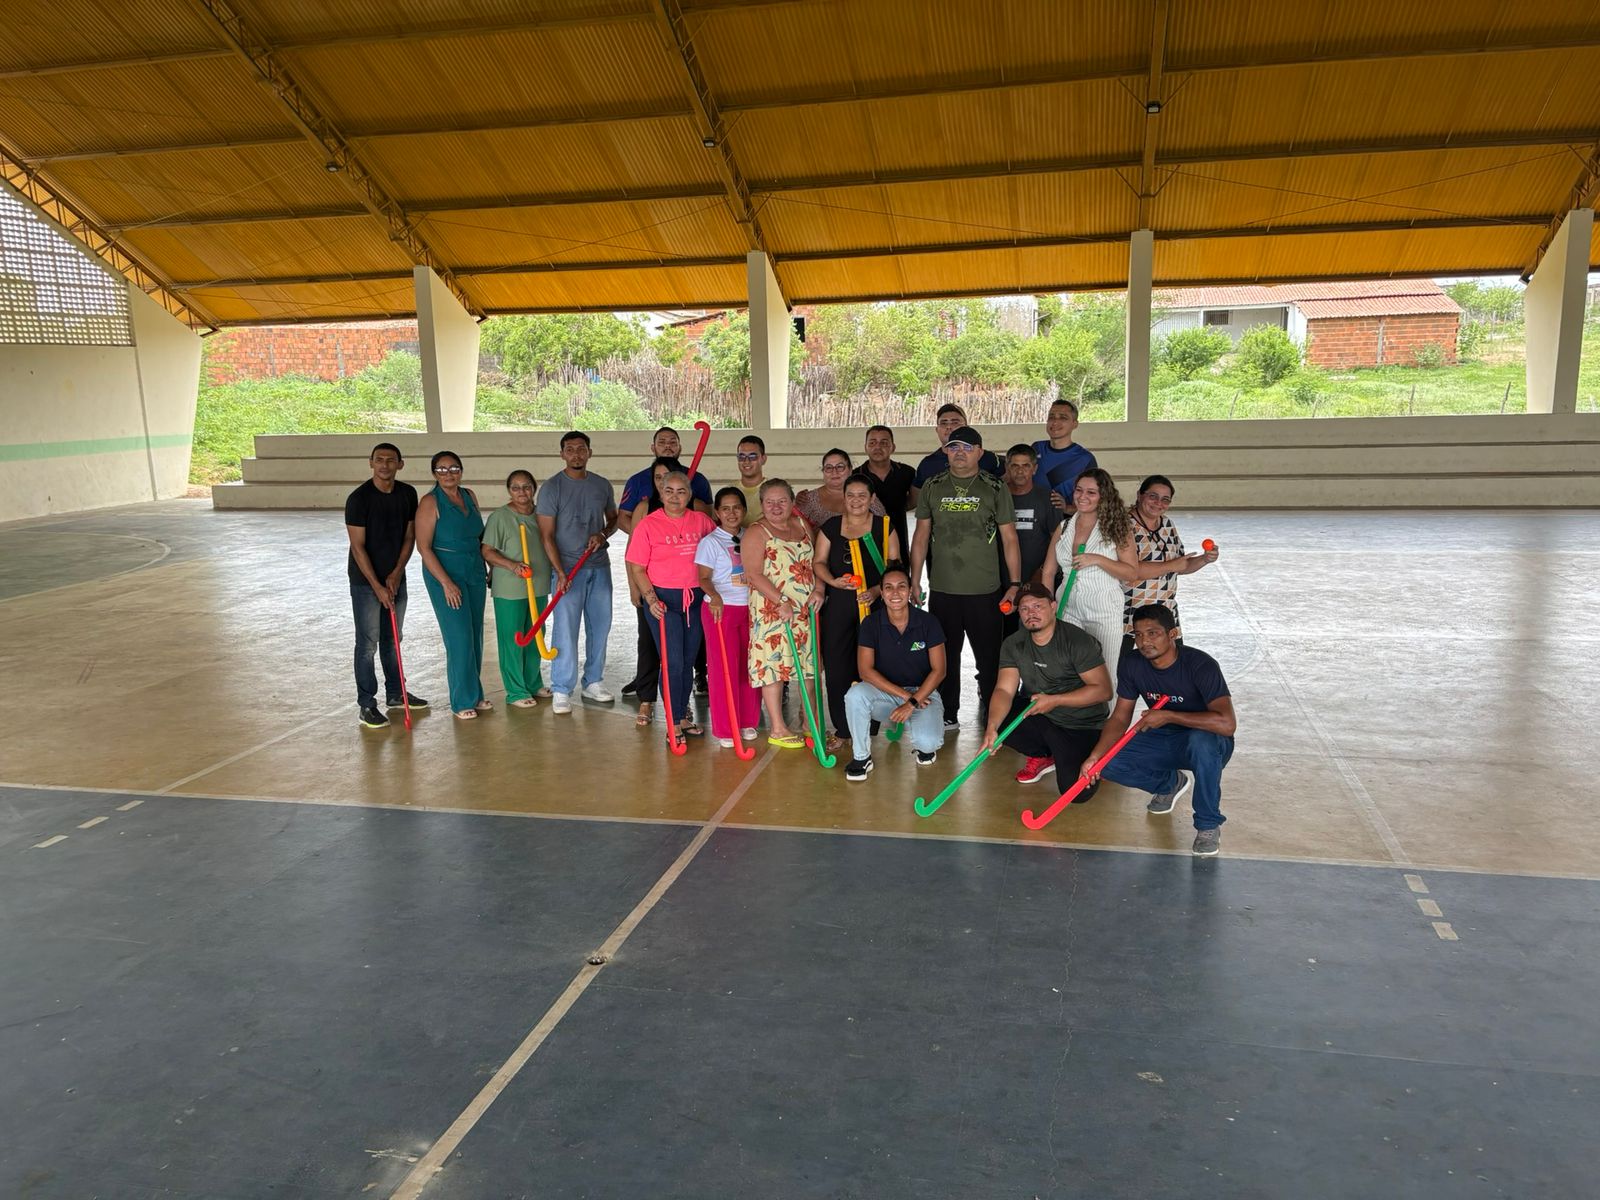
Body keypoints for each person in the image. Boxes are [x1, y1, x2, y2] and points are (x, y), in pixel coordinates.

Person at [1082, 604, 1237, 856]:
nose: (1144, 642)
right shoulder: (1132, 663)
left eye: (1153, 633)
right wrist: (1096, 756)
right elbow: (1120, 716)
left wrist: (1169, 715)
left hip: (1210, 742)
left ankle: (1208, 824)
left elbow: (1227, 724)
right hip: (1164, 736)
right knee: (1108, 764)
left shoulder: (1200, 665)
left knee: (1201, 742)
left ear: (1172, 634)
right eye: (1138, 635)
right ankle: (1169, 784)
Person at [909, 425, 1020, 730]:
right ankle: (948, 713)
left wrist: (1014, 584)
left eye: (967, 447)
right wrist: (915, 580)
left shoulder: (994, 487)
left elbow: (1010, 538)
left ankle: (995, 715)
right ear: (945, 451)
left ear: (980, 452)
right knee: (945, 657)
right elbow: (920, 536)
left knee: (989, 658)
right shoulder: (932, 486)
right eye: (954, 447)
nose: (960, 452)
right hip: (944, 589)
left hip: (986, 590)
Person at [983, 582, 1113, 786]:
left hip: (1081, 724)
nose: (1031, 613)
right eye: (1024, 608)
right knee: (996, 718)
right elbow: (1004, 690)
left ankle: (1090, 751)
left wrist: (1055, 700)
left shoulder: (1076, 641)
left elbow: (1104, 691)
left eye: (1038, 606)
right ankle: (1045, 755)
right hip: (1045, 718)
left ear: (1053, 607)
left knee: (1076, 790)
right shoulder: (1014, 643)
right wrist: (992, 728)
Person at [625, 471, 716, 744]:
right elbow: (637, 568)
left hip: (695, 600)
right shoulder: (648, 525)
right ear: (661, 494)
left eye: (681, 491)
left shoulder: (702, 521)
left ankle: (682, 716)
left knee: (688, 661)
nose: (675, 497)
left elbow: (717, 553)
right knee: (673, 661)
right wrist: (651, 599)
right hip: (663, 602)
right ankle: (673, 722)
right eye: (669, 491)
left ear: (690, 494)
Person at [813, 473, 901, 745]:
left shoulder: (884, 526)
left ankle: (867, 728)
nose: (856, 500)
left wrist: (876, 591)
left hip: (875, 606)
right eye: (850, 495)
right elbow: (818, 562)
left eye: (862, 495)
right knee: (838, 668)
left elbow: (895, 566)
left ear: (872, 498)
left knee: (871, 667)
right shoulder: (831, 527)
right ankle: (843, 730)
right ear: (844, 497)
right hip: (839, 606)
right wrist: (832, 582)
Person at [536, 430, 618, 716]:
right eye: (570, 449)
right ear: (562, 454)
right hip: (567, 570)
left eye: (581, 449)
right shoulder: (552, 488)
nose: (576, 454)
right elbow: (546, 535)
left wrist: (603, 534)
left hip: (599, 566)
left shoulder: (601, 485)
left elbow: (613, 519)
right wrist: (560, 572)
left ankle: (593, 681)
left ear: (589, 453)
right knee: (565, 629)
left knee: (600, 626)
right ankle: (561, 687)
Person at [345, 442, 427, 728]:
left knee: (393, 638)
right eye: (379, 459)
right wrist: (377, 585)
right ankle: (367, 704)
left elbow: (409, 537)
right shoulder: (359, 499)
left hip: (395, 578)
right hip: (366, 582)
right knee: (367, 643)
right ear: (371, 463)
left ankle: (396, 693)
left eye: (391, 460)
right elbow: (357, 547)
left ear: (400, 464)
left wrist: (396, 573)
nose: (384, 465)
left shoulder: (408, 494)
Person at [842, 563, 947, 780]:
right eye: (888, 587)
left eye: (901, 586)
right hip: (886, 695)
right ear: (881, 593)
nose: (895, 593)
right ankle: (861, 757)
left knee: (928, 744)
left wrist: (913, 701)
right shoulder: (871, 623)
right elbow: (865, 671)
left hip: (923, 695)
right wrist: (906, 698)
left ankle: (923, 740)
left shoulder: (928, 622)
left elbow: (939, 671)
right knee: (855, 695)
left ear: (910, 591)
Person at [743, 479, 824, 749]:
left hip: (805, 609)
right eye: (770, 502)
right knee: (774, 667)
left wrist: (819, 589)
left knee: (810, 666)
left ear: (792, 502)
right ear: (761, 504)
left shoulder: (802, 525)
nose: (776, 507)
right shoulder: (756, 532)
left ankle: (809, 722)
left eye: (782, 501)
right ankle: (778, 728)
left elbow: (816, 562)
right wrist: (782, 601)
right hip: (773, 610)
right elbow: (753, 574)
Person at [1041, 467, 1139, 691]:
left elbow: (1131, 573)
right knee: (1068, 671)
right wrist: (1048, 605)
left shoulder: (1117, 528)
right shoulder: (1065, 526)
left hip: (1104, 607)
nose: (1082, 496)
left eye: (1091, 492)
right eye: (1079, 490)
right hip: (1067, 606)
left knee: (1105, 672)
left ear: (1103, 496)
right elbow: (1048, 571)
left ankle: (1106, 715)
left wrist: (1097, 559)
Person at [416, 450, 490, 720]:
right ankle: (461, 701)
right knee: (459, 637)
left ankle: (475, 693)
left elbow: (479, 536)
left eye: (454, 468)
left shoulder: (469, 496)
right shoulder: (430, 502)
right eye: (442, 469)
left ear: (461, 470)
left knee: (475, 633)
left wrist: (489, 565)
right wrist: (446, 582)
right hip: (445, 572)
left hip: (473, 568)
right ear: (434, 473)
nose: (449, 474)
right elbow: (423, 547)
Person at [1123, 474, 1218, 654]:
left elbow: (1181, 565)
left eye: (1165, 499)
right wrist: (1171, 566)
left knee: (1172, 666)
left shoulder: (1167, 524)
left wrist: (1205, 559)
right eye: (1153, 496)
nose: (1159, 503)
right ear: (1139, 495)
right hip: (1130, 617)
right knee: (1123, 666)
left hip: (1165, 614)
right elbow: (1129, 570)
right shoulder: (1124, 525)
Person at [697, 487, 762, 749]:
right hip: (721, 610)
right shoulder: (710, 542)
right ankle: (726, 727)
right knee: (724, 668)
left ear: (744, 510)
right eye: (725, 508)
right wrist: (714, 596)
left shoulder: (752, 535)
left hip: (752, 609)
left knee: (750, 667)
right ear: (717, 512)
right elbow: (703, 578)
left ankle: (747, 721)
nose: (731, 513)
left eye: (736, 507)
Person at [480, 470, 549, 709]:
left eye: (527, 486)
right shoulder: (500, 517)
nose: (522, 492)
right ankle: (516, 691)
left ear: (534, 488)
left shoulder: (541, 515)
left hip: (538, 585)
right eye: (516, 487)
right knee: (512, 639)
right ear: (509, 490)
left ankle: (533, 682)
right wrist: (513, 566)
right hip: (510, 588)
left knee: (536, 635)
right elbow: (487, 551)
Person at [625, 456, 686, 727]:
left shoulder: (692, 510)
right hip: (650, 590)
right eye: (659, 478)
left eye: (669, 477)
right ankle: (647, 699)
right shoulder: (644, 508)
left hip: (683, 594)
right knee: (649, 645)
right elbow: (632, 553)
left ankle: (681, 706)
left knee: (679, 653)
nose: (664, 483)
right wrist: (635, 588)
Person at [1001, 443, 1063, 640]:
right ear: (1007, 468)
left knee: (1037, 636)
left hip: (1037, 582)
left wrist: (1042, 572)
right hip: (1000, 583)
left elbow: (1057, 542)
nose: (1020, 471)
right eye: (1015, 465)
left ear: (1034, 469)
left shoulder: (1047, 498)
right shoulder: (997, 496)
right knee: (1004, 639)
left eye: (1026, 466)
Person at [1033, 398, 1098, 513]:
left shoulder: (1085, 459)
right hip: (1035, 518)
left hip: (1067, 521)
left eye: (1063, 418)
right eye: (1051, 417)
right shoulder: (1036, 448)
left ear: (1075, 424)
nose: (1055, 422)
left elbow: (1094, 502)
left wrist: (1066, 508)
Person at [794, 448, 886, 529]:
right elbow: (793, 528)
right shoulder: (807, 499)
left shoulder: (865, 496)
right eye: (829, 468)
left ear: (850, 469)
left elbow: (884, 526)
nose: (834, 472)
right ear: (823, 471)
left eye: (840, 467)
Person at [913, 403, 1003, 486]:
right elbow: (917, 495)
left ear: (966, 427)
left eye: (955, 422)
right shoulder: (927, 464)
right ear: (937, 430)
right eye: (943, 423)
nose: (949, 427)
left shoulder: (991, 459)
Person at [861, 425, 918, 552]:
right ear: (865, 447)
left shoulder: (906, 472)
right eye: (872, 443)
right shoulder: (856, 476)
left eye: (884, 443)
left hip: (899, 539)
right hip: (866, 542)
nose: (878, 447)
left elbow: (914, 500)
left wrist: (899, 507)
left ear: (893, 447)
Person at [729, 435, 768, 527]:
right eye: (742, 457)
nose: (746, 461)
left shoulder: (774, 491)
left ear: (763, 459)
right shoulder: (729, 491)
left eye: (753, 456)